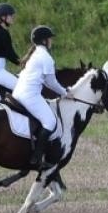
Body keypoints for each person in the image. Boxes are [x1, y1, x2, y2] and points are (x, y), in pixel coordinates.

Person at [13, 25, 69, 169]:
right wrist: (65, 93)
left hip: (18, 92)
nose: (51, 41)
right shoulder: (46, 57)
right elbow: (51, 82)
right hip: (30, 95)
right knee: (50, 122)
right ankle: (36, 158)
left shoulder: (34, 54)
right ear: (44, 41)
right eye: (50, 39)